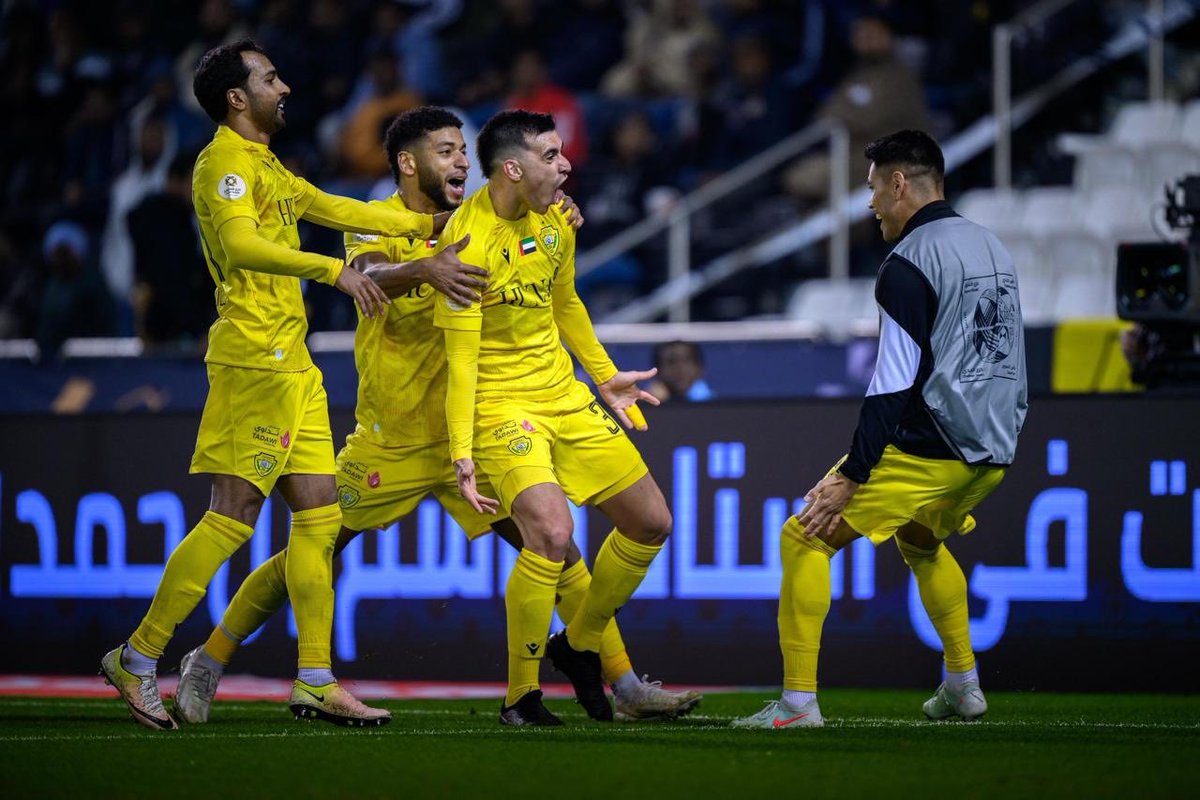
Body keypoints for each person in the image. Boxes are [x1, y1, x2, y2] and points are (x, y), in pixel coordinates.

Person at [172, 106, 699, 727]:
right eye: (446, 151)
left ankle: (624, 683)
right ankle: (207, 660)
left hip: (468, 431)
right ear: (407, 162)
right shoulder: (377, 219)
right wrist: (424, 267)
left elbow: (529, 235)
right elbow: (368, 275)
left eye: (462, 152)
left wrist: (554, 206)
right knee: (312, 549)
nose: (460, 162)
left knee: (558, 549)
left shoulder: (478, 218)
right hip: (390, 438)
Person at [99, 39, 445, 731]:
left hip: (295, 365)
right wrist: (332, 271)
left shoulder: (267, 165)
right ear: (237, 97)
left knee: (319, 520)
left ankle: (315, 678)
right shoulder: (224, 163)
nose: (284, 86)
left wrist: (435, 223)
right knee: (232, 516)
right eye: (270, 77)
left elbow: (336, 207)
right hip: (253, 361)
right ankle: (138, 658)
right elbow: (240, 247)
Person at [732, 129, 1027, 729]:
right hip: (996, 446)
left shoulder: (907, 264)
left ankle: (796, 705)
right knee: (920, 540)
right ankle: (963, 686)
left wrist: (853, 473)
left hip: (935, 442)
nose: (869, 204)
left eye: (872, 189)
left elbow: (892, 383)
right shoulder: (991, 244)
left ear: (899, 184)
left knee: (804, 535)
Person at [436, 110, 674, 725]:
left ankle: (580, 643)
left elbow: (564, 300)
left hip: (562, 394)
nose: (566, 164)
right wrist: (462, 450)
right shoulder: (465, 245)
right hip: (499, 405)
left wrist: (603, 375)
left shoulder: (556, 222)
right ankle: (521, 696)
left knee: (651, 522)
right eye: (550, 155)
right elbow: (460, 361)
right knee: (551, 531)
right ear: (513, 168)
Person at [647, 340, 713, 402]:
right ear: (657, 371)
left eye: (686, 360)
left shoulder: (713, 404)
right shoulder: (646, 403)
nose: (680, 368)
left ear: (699, 368)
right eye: (671, 362)